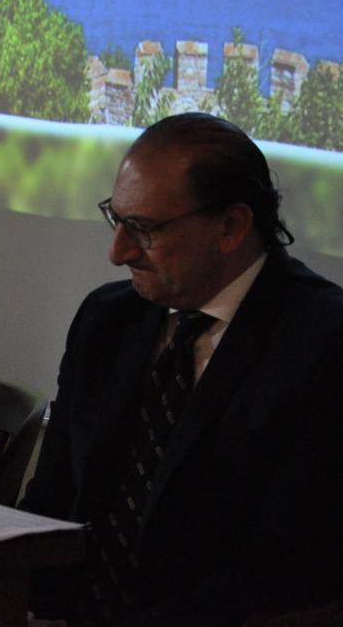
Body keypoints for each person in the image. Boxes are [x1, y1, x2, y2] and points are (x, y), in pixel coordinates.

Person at [20, 113, 343, 626]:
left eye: (144, 229)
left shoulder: (321, 343)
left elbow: (288, 564)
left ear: (231, 226)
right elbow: (54, 501)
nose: (118, 252)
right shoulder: (107, 321)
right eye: (116, 219)